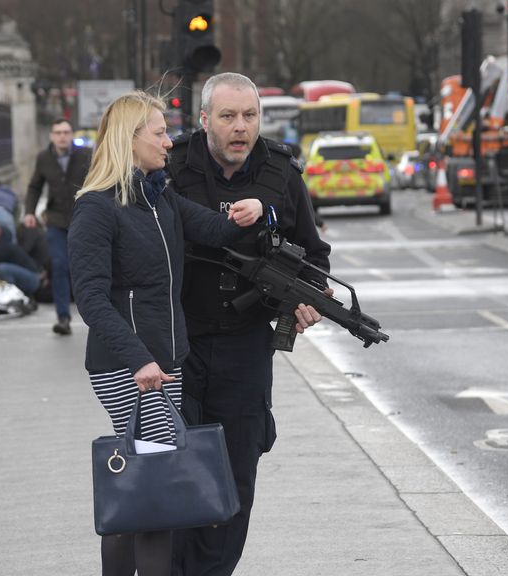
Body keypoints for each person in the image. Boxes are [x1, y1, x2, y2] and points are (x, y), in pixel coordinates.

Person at [67, 90, 263, 576]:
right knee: (157, 497)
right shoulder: (96, 208)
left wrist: (257, 209)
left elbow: (217, 231)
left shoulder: (160, 199)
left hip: (162, 362)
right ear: (130, 139)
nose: (169, 142)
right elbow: (91, 299)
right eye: (159, 133)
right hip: (127, 366)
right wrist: (138, 359)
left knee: (142, 489)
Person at [165, 72, 331, 576]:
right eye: (228, 116)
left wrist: (306, 299)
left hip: (246, 347)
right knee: (177, 474)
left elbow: (314, 256)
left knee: (236, 476)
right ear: (204, 120)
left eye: (250, 116)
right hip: (179, 344)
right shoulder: (172, 166)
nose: (241, 127)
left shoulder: (281, 172)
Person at [24, 118, 92, 336]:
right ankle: (63, 317)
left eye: (66, 132)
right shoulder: (44, 158)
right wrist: (29, 212)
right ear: (52, 136)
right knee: (59, 264)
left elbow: (99, 180)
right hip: (56, 220)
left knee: (87, 266)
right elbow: (35, 186)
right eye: (58, 133)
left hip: (83, 218)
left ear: (71, 134)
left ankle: (95, 315)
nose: (62, 136)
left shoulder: (85, 154)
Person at [0, 218, 42, 297]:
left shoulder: (3, 247)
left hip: (32, 278)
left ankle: (10, 296)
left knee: (3, 268)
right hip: (25, 275)